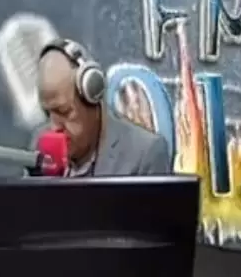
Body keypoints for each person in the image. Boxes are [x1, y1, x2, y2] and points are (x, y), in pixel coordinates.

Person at [37, 38, 171, 176]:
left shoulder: (145, 154)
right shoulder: (38, 148)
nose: (54, 127)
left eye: (64, 112)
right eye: (48, 113)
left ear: (92, 95)